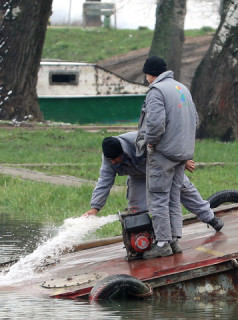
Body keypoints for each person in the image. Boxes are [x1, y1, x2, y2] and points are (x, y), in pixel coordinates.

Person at [83, 132, 224, 250]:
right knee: (136, 209)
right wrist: (94, 208)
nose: (113, 162)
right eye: (110, 160)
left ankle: (211, 218)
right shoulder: (109, 158)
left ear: (123, 151)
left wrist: (183, 160)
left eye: (115, 159)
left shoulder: (139, 140)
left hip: (161, 168)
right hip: (138, 176)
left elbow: (167, 144)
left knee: (185, 190)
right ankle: (147, 243)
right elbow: (104, 181)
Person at [135, 56, 204, 259]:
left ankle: (163, 243)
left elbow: (155, 124)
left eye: (146, 75)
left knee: (157, 198)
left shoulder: (157, 91)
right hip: (181, 153)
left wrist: (151, 143)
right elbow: (195, 119)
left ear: (149, 73)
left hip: (163, 154)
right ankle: (174, 241)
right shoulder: (181, 88)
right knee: (173, 198)